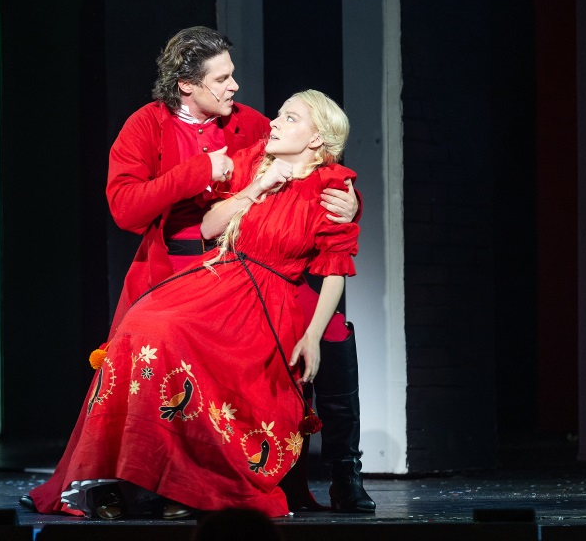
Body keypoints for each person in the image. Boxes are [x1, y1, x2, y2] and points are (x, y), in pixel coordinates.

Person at [20, 26, 374, 514]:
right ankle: (143, 477)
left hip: (262, 264)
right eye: (221, 79)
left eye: (232, 75)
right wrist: (201, 172)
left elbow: (314, 168)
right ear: (186, 84)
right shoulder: (147, 125)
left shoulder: (246, 123)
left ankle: (344, 470)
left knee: (331, 331)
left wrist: (351, 204)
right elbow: (126, 209)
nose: (234, 87)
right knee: (150, 337)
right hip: (178, 265)